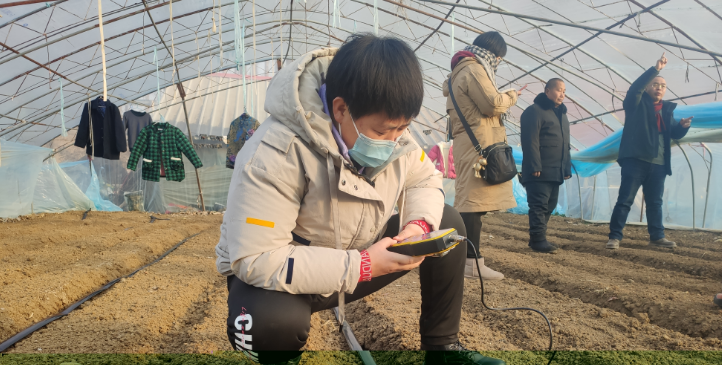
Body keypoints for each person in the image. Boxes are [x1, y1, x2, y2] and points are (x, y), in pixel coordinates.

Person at [215, 34, 506, 365]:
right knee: (270, 324)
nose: (394, 141)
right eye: (383, 133)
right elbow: (257, 258)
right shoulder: (275, 152)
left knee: (447, 223)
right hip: (283, 280)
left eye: (403, 128)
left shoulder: (392, 132)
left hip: (355, 259)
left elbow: (424, 176)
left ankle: (443, 351)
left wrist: (418, 225)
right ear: (341, 109)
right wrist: (363, 264)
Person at [443, 32, 519, 280]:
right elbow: (492, 104)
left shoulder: (459, 71)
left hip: (469, 143)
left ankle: (465, 260)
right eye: (499, 57)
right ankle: (471, 263)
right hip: (479, 146)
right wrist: (511, 96)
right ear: (493, 54)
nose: (498, 62)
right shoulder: (474, 69)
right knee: (472, 204)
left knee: (472, 203)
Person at [606, 53, 693, 250]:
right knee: (625, 200)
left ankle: (657, 236)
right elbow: (634, 88)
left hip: (659, 163)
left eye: (663, 86)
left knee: (655, 202)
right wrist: (656, 69)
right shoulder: (635, 105)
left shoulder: (665, 111)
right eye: (655, 84)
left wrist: (682, 127)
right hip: (636, 160)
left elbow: (673, 135)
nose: (659, 88)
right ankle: (615, 237)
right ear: (647, 88)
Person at [520, 78, 571, 253]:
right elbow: (530, 140)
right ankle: (538, 239)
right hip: (539, 170)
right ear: (547, 91)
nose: (562, 94)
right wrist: (535, 165)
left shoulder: (562, 115)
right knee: (539, 205)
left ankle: (537, 237)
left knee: (550, 204)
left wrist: (566, 168)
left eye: (564, 91)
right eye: (558, 90)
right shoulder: (534, 111)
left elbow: (566, 144)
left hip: (555, 170)